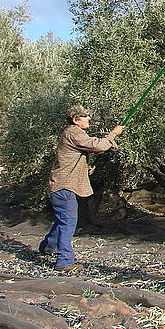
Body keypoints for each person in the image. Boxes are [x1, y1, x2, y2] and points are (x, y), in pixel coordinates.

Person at [39, 105, 124, 271]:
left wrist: (85, 167)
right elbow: (97, 145)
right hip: (64, 187)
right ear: (76, 120)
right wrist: (113, 134)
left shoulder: (72, 133)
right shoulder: (73, 133)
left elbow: (72, 156)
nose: (89, 119)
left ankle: (47, 247)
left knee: (62, 220)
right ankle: (64, 261)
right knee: (68, 222)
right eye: (86, 116)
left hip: (61, 185)